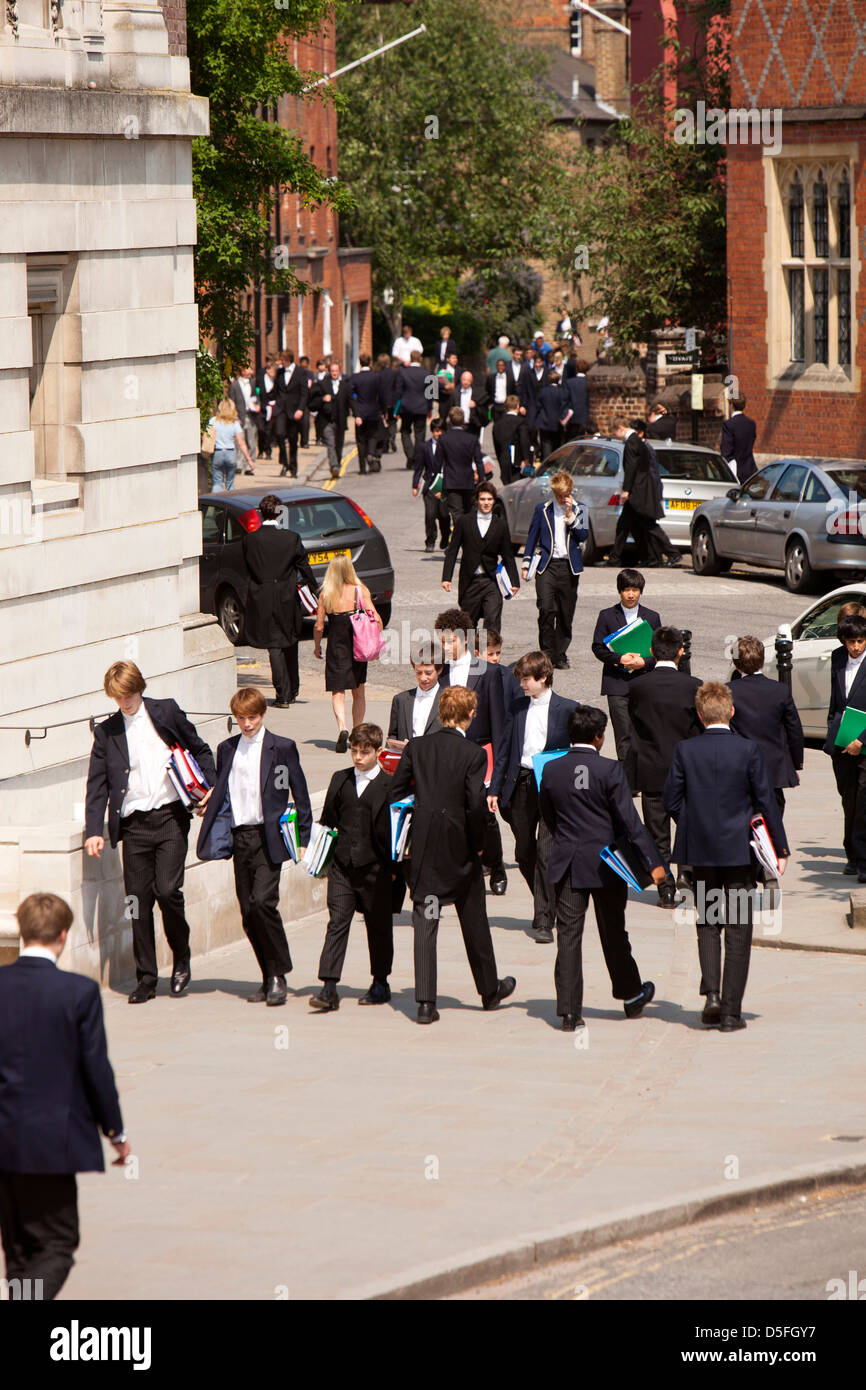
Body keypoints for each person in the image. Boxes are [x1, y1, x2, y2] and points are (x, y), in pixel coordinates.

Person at [0, 893, 128, 1301]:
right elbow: (96, 1068)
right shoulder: (78, 992)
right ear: (63, 934)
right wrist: (115, 1131)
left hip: (4, 1139)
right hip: (51, 1141)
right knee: (55, 1244)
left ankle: (22, 1296)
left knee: (19, 1250)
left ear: (22, 932)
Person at [84, 661, 216, 1003]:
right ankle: (146, 976)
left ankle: (181, 956)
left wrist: (210, 787)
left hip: (170, 817)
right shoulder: (107, 732)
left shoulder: (166, 712)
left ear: (139, 687)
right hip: (133, 826)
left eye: (129, 694)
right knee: (136, 903)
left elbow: (199, 748)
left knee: (168, 890)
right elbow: (96, 785)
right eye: (118, 697)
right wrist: (93, 830)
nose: (125, 702)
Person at [664, 683, 789, 1030]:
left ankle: (713, 996)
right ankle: (731, 1012)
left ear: (700, 716)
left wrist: (692, 824)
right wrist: (779, 848)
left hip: (701, 851)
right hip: (739, 851)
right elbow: (766, 801)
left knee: (707, 922)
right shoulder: (748, 750)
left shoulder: (685, 750)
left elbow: (671, 798)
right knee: (737, 928)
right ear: (732, 712)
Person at [390, 686, 516, 1025]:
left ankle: (425, 1003)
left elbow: (396, 791)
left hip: (426, 850)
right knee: (474, 921)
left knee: (426, 923)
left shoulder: (417, 747)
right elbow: (476, 805)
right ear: (470, 714)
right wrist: (480, 846)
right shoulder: (473, 754)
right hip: (460, 850)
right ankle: (489, 991)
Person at [540, 706, 665, 1031]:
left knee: (568, 936)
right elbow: (630, 821)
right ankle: (630, 994)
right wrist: (653, 863)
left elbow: (549, 818)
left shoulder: (550, 771)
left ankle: (569, 1011)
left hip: (568, 863)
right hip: (607, 865)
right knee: (613, 932)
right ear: (599, 737)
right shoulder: (610, 769)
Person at [196, 686, 312, 1006]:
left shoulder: (283, 748)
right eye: (241, 718)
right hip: (240, 838)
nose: (247, 724)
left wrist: (302, 838)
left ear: (263, 714)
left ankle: (278, 974)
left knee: (263, 903)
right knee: (248, 913)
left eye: (252, 717)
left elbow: (300, 794)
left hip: (269, 837)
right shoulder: (226, 749)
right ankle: (267, 975)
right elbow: (223, 790)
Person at [489, 651, 578, 945]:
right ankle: (547, 901)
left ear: (543, 678)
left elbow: (579, 752)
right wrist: (493, 789)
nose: (522, 685)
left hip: (552, 786)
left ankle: (543, 919)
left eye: (526, 680)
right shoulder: (516, 708)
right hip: (522, 783)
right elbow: (504, 750)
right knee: (523, 852)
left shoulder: (568, 709)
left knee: (546, 852)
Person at [311, 723, 396, 1011]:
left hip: (377, 869)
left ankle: (380, 982)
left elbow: (398, 832)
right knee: (337, 922)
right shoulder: (340, 779)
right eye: (354, 751)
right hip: (343, 866)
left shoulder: (390, 786)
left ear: (378, 752)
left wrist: (396, 870)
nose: (358, 757)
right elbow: (328, 821)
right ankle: (329, 987)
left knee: (378, 925)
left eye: (365, 752)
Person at [627, 627, 702, 907]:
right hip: (685, 770)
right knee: (688, 826)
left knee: (657, 834)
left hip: (651, 769)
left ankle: (665, 890)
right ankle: (687, 872)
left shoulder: (637, 687)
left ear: (651, 652)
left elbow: (633, 726)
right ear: (681, 652)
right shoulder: (693, 685)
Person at [435, 606, 508, 893]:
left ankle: (497, 865)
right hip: (447, 754)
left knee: (483, 814)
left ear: (465, 639)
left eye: (450, 640)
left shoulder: (488, 673)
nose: (446, 646)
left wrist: (498, 773)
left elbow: (500, 723)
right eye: (442, 640)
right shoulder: (439, 673)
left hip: (480, 753)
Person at [241, 494, 318, 708]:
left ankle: (282, 695)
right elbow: (305, 568)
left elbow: (248, 569)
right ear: (279, 513)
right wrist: (316, 590)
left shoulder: (250, 539)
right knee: (290, 640)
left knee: (274, 645)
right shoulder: (291, 538)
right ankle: (292, 690)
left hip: (262, 597)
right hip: (286, 596)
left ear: (260, 513)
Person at [591, 567, 662, 777]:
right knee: (623, 733)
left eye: (635, 590)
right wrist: (618, 659)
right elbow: (597, 647)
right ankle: (628, 779)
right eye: (626, 590)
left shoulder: (652, 617)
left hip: (644, 682)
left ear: (641, 591)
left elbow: (660, 651)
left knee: (644, 731)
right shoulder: (606, 616)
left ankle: (643, 774)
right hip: (617, 683)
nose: (631, 594)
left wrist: (645, 662)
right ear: (619, 591)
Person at [728, 635, 804, 819]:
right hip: (774, 767)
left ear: (736, 664)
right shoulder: (780, 691)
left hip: (741, 766)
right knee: (773, 821)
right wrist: (795, 761)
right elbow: (794, 728)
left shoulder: (729, 691)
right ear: (762, 661)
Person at [314, 554, 383, 753]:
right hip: (358, 644)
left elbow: (319, 627)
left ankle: (342, 727)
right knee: (359, 692)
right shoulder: (360, 591)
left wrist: (317, 646)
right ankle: (356, 732)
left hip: (337, 645)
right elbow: (376, 618)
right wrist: (375, 641)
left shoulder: (326, 594)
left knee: (338, 691)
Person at [522, 469, 588, 670]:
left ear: (571, 491)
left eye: (565, 495)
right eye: (559, 495)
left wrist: (570, 516)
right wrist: (526, 563)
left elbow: (583, 535)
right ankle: (547, 654)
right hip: (547, 565)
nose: (562, 499)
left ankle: (560, 654)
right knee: (546, 608)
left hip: (569, 567)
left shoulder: (581, 509)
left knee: (566, 614)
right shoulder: (542, 509)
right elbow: (532, 536)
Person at [442, 481, 519, 631]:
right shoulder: (464, 522)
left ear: (494, 501)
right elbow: (452, 551)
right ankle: (470, 653)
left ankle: (491, 652)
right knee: (468, 625)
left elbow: (508, 555)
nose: (486, 503)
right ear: (477, 500)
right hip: (470, 581)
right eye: (483, 499)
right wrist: (446, 577)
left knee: (493, 619)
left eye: (489, 499)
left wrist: (514, 581)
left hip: (491, 580)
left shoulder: (501, 525)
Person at [823, 612, 866, 879]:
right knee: (848, 799)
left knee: (864, 799)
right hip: (841, 738)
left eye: (861, 641)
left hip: (863, 737)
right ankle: (852, 854)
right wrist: (833, 728)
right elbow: (836, 699)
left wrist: (861, 740)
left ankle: (863, 860)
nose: (857, 647)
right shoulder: (838, 659)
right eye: (851, 642)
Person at [439, 405, 483, 534]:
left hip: (451, 481)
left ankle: (460, 541)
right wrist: (481, 480)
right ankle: (466, 541)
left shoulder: (444, 439)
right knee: (469, 513)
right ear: (463, 421)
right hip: (468, 480)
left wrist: (435, 484)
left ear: (450, 421)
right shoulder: (472, 439)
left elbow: (437, 464)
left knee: (457, 513)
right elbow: (478, 461)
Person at [388, 649, 444, 749]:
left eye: (428, 673)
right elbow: (393, 735)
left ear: (439, 670)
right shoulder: (400, 700)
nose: (423, 678)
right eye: (419, 673)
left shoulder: (449, 700)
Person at [412, 416, 450, 552]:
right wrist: (415, 485)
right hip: (430, 486)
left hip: (445, 485)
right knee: (430, 515)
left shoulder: (448, 446)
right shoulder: (424, 447)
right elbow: (418, 467)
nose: (438, 434)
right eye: (435, 431)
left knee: (444, 515)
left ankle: (445, 537)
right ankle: (430, 541)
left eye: (440, 431)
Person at [309, 360, 351, 478]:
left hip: (340, 421)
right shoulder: (321, 384)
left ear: (340, 371)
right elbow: (311, 403)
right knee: (330, 444)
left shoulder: (345, 385)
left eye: (336, 371)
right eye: (332, 371)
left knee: (339, 445)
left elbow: (351, 401)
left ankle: (337, 463)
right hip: (326, 421)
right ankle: (334, 466)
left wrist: (357, 416)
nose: (334, 373)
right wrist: (322, 399)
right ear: (329, 371)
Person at [272, 350, 308, 478]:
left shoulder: (301, 373)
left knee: (293, 440)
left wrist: (301, 409)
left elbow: (304, 393)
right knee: (279, 434)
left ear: (288, 360)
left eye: (282, 360)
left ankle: (293, 468)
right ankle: (284, 463)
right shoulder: (280, 372)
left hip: (294, 411)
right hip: (281, 409)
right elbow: (275, 390)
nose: (280, 362)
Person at [208, 398, 254, 492]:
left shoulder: (213, 421)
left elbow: (206, 436)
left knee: (217, 482)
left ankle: (216, 504)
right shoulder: (234, 423)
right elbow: (241, 443)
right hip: (230, 453)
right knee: (230, 483)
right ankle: (229, 503)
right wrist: (249, 460)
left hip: (217, 453)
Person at [350, 353, 384, 474]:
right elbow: (381, 395)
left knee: (360, 440)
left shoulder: (354, 378)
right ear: (370, 363)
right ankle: (370, 453)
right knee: (373, 435)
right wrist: (383, 411)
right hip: (374, 412)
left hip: (360, 413)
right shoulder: (376, 377)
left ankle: (362, 468)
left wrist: (355, 413)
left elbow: (351, 397)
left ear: (360, 363)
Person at [397, 349, 431, 470]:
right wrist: (430, 408)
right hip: (421, 407)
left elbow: (398, 393)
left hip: (406, 408)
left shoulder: (402, 373)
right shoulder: (426, 373)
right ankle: (417, 458)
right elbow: (431, 394)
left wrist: (396, 410)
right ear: (420, 359)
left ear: (410, 359)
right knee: (420, 434)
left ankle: (410, 455)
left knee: (405, 432)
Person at [721, 395, 758, 484]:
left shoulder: (729, 424)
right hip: (750, 468)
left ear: (731, 405)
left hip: (735, 470)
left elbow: (726, 450)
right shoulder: (751, 423)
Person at [492, 394, 529, 485]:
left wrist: (500, 458)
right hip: (518, 461)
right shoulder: (520, 422)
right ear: (517, 406)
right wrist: (526, 459)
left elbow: (496, 445)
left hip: (503, 460)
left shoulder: (497, 424)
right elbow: (524, 441)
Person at [228, 367, 258, 473]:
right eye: (248, 369)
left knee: (251, 441)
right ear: (242, 371)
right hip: (239, 416)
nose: (251, 371)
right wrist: (234, 417)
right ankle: (239, 464)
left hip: (251, 414)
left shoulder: (253, 383)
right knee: (239, 441)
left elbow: (256, 396)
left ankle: (250, 466)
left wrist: (257, 405)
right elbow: (231, 401)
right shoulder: (234, 385)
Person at [536, 369, 567, 460]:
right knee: (557, 446)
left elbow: (538, 405)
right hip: (557, 423)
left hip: (544, 422)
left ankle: (546, 466)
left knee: (546, 446)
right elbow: (564, 407)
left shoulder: (543, 391)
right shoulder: (562, 392)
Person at [449, 370, 488, 437]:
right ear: (461, 379)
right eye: (464, 380)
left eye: (468, 380)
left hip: (472, 425)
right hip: (459, 425)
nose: (466, 382)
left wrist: (476, 404)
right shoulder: (455, 392)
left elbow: (484, 408)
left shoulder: (477, 392)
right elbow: (450, 407)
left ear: (471, 381)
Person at [376, 353, 401, 456]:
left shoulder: (378, 374)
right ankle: (392, 438)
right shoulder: (394, 373)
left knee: (384, 423)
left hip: (382, 402)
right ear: (388, 362)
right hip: (393, 402)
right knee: (393, 422)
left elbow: (377, 390)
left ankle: (385, 444)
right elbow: (398, 389)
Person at [255, 356, 278, 457]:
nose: (273, 374)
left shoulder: (276, 381)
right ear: (268, 370)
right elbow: (256, 390)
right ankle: (260, 450)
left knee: (269, 431)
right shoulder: (260, 378)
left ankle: (268, 452)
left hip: (272, 408)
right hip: (261, 407)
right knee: (260, 430)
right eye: (272, 372)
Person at [486, 358, 511, 425]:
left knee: (506, 425)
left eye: (502, 365)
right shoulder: (491, 378)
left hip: (506, 406)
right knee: (496, 425)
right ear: (496, 366)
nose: (500, 367)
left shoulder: (510, 377)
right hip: (495, 406)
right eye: (499, 365)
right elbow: (487, 390)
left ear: (505, 366)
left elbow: (512, 391)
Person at [298, 355, 314, 448]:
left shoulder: (310, 374)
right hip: (297, 401)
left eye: (305, 365)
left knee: (306, 423)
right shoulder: (297, 373)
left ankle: (305, 442)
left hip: (306, 402)